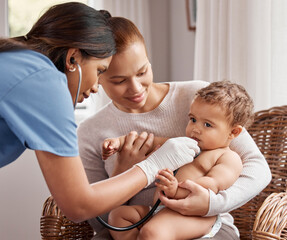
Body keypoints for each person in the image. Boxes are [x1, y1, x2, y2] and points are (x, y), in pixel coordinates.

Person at [0, 2, 200, 223]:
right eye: (100, 71)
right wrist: (152, 165)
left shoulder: (18, 60)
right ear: (72, 58)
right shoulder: (43, 83)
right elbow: (78, 206)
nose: (96, 86)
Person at [77, 15, 271, 239]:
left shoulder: (200, 100)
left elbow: (258, 169)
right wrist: (123, 171)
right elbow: (99, 222)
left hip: (198, 224)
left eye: (142, 72)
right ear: (97, 76)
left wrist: (209, 204)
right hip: (142, 218)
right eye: (119, 81)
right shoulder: (90, 132)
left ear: (149, 61)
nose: (136, 88)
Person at [103, 80, 254, 239]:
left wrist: (176, 189)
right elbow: (150, 142)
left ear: (233, 132)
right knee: (117, 217)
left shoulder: (228, 158)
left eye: (207, 125)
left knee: (153, 232)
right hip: (162, 209)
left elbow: (212, 185)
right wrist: (119, 142)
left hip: (196, 216)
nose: (196, 128)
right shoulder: (184, 144)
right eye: (193, 119)